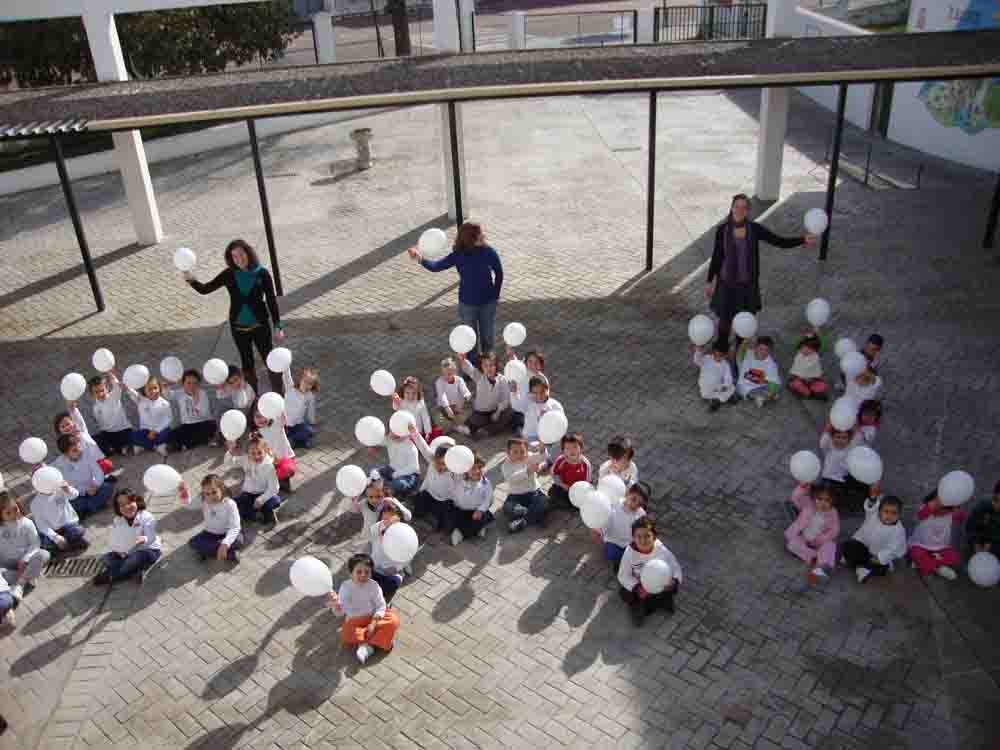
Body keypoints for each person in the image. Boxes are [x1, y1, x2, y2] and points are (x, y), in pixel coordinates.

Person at [705, 194, 815, 352]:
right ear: (731, 207)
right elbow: (717, 257)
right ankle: (721, 351)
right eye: (737, 206)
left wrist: (802, 239)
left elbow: (779, 241)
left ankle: (738, 354)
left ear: (748, 210)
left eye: (744, 207)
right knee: (725, 322)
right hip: (726, 284)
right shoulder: (722, 230)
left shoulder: (754, 229)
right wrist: (709, 282)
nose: (740, 210)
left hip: (747, 286)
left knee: (743, 324)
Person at [184, 238, 286, 395]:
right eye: (234, 257)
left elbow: (271, 301)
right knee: (247, 363)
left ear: (248, 253)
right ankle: (254, 397)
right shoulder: (229, 274)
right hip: (239, 328)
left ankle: (280, 395)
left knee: (270, 360)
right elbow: (206, 289)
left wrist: (278, 326)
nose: (239, 259)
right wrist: (191, 280)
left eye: (241, 254)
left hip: (260, 326)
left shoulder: (262, 274)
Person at [408, 221, 503, 366]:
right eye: (480, 234)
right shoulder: (458, 255)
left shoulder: (488, 251)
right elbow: (437, 266)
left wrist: (495, 296)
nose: (484, 235)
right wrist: (420, 259)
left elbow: (499, 273)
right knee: (469, 340)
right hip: (467, 305)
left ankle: (490, 368)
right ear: (471, 238)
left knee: (487, 339)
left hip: (487, 304)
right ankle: (472, 369)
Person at [327, 553, 401, 665]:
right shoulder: (345, 587)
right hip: (355, 621)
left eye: (367, 572)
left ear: (371, 573)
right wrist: (336, 606)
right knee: (346, 634)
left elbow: (381, 605)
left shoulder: (374, 585)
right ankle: (373, 644)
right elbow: (340, 612)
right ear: (351, 573)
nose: (363, 575)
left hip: (373, 618)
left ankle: (365, 645)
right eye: (359, 572)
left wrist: (373, 623)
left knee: (393, 620)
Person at [618, 517, 683, 627]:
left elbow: (675, 566)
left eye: (647, 536)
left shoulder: (661, 549)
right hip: (640, 585)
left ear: (654, 537)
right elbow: (623, 575)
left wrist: (674, 581)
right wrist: (637, 587)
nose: (643, 540)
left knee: (672, 588)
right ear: (633, 538)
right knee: (625, 593)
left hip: (659, 583)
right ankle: (638, 608)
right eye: (638, 537)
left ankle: (664, 600)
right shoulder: (629, 552)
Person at [93, 490, 161, 585]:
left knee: (135, 558)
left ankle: (111, 575)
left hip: (148, 550)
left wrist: (144, 539)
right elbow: (116, 539)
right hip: (126, 552)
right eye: (122, 505)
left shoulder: (146, 516)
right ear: (118, 508)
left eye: (129, 502)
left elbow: (151, 537)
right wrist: (117, 550)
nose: (127, 507)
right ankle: (132, 571)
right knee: (106, 558)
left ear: (136, 501)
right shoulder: (117, 520)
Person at [840, 494, 906, 583]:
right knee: (848, 545)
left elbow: (893, 549)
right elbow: (870, 507)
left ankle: (861, 568)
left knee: (882, 568)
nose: (889, 516)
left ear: (899, 515)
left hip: (877, 556)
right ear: (879, 511)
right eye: (886, 511)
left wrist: (880, 557)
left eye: (894, 513)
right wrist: (872, 499)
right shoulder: (873, 516)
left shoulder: (898, 530)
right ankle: (858, 564)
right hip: (864, 547)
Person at [784, 482, 840, 583]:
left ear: (833, 501)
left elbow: (835, 530)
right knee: (792, 544)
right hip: (803, 537)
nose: (823, 503)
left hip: (818, 541)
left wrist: (823, 538)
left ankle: (820, 567)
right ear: (814, 498)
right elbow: (796, 498)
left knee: (830, 546)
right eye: (819, 499)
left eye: (827, 500)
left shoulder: (833, 513)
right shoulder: (808, 504)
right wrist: (802, 488)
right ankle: (814, 557)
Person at [0, 493, 50, 604]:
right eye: (8, 513)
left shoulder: (27, 523)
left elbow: (35, 544)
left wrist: (25, 559)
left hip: (26, 562)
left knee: (44, 554)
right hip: (7, 567)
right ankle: (28, 577)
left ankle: (19, 585)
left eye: (15, 509)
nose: (13, 514)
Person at [179, 475, 243, 562]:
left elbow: (235, 527)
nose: (211, 496)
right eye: (207, 494)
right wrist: (183, 493)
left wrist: (225, 544)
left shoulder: (230, 504)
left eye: (214, 492)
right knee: (192, 543)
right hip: (210, 533)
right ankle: (229, 554)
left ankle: (209, 551)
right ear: (203, 493)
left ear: (221, 489)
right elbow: (189, 505)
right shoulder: (204, 500)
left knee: (238, 540)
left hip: (227, 533)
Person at [51, 434, 114, 518]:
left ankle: (86, 510)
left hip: (92, 488)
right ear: (65, 454)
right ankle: (94, 506)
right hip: (77, 493)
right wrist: (83, 491)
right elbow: (68, 487)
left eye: (79, 446)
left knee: (108, 487)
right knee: (70, 502)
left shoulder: (86, 454)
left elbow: (98, 473)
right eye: (74, 450)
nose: (79, 451)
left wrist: (95, 486)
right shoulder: (59, 464)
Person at [910, 491, 967, 580]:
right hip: (921, 545)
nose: (941, 511)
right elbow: (920, 515)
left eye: (945, 509)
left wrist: (957, 510)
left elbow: (961, 517)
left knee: (955, 557)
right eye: (939, 507)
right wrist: (931, 506)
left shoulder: (950, 514)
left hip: (941, 548)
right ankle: (937, 567)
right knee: (915, 553)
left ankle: (930, 564)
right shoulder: (926, 510)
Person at [224, 436, 281, 525]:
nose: (256, 456)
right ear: (247, 453)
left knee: (275, 501)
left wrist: (261, 499)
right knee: (237, 504)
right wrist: (230, 451)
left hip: (263, 492)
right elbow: (229, 463)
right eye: (253, 453)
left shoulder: (269, 466)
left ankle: (265, 513)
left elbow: (275, 487)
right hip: (248, 493)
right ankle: (252, 514)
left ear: (265, 452)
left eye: (259, 453)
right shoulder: (245, 459)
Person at [593, 482, 648, 571]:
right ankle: (621, 563)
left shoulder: (641, 514)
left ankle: (628, 564)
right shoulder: (613, 506)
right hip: (613, 541)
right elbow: (605, 524)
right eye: (633, 499)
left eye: (639, 504)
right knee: (611, 553)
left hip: (629, 543)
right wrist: (600, 531)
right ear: (627, 493)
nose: (635, 505)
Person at [412, 430, 456, 532]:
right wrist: (413, 432)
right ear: (434, 458)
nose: (440, 466)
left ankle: (434, 520)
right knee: (418, 507)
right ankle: (424, 514)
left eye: (444, 464)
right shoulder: (431, 460)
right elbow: (423, 446)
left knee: (444, 523)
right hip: (429, 494)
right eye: (438, 462)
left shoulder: (454, 473)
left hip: (444, 501)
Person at [458, 352, 511, 437]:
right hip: (481, 412)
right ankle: (471, 429)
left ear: (496, 365)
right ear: (481, 367)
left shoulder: (502, 379)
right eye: (485, 366)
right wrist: (463, 360)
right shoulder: (479, 377)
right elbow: (470, 369)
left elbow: (506, 398)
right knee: (471, 425)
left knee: (507, 414)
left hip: (495, 411)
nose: (489, 368)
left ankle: (486, 431)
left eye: (491, 365)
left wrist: (498, 411)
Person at [501, 438, 548, 533]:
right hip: (515, 496)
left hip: (533, 492)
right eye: (515, 452)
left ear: (527, 451)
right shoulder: (506, 465)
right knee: (507, 507)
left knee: (544, 501)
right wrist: (527, 471)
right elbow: (512, 479)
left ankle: (524, 521)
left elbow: (542, 457)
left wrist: (542, 449)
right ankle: (532, 513)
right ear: (508, 452)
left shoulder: (529, 457)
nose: (519, 455)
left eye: (522, 452)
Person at [450, 452, 495, 545]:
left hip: (476, 511)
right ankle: (476, 529)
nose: (477, 471)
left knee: (483, 518)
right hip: (460, 509)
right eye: (473, 468)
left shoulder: (486, 483)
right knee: (450, 520)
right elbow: (453, 468)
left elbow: (488, 499)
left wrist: (480, 510)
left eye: (480, 467)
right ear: (465, 470)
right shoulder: (459, 478)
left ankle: (461, 533)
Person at [31, 481, 89, 554]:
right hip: (55, 531)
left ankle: (68, 545)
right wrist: (56, 537)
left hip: (69, 526)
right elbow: (42, 525)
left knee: (77, 531)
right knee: (45, 543)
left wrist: (67, 489)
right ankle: (69, 544)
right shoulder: (35, 503)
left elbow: (75, 495)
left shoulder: (60, 489)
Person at [166, 369, 217, 451]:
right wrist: (168, 384)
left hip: (202, 422)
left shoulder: (202, 394)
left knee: (211, 427)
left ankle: (187, 445)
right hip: (187, 425)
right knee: (171, 434)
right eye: (188, 383)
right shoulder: (180, 393)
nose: (192, 386)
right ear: (183, 384)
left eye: (195, 383)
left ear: (199, 384)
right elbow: (167, 394)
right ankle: (198, 442)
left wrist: (196, 401)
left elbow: (205, 414)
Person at [251, 401, 296, 493]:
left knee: (288, 470)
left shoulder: (277, 422)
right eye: (257, 416)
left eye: (264, 416)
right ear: (252, 417)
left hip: (284, 458)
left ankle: (283, 481)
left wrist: (282, 408)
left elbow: (287, 415)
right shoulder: (254, 434)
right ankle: (274, 482)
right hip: (269, 462)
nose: (261, 419)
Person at [53, 408, 113, 477]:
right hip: (85, 468)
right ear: (59, 431)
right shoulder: (64, 444)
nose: (66, 427)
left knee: (107, 465)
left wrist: (73, 408)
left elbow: (78, 418)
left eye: (68, 424)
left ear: (73, 423)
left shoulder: (81, 431)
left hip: (98, 461)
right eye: (62, 427)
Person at [369, 421, 421, 498]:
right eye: (391, 431)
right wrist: (372, 445)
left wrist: (397, 474)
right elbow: (380, 441)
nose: (392, 434)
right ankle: (381, 487)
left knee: (396, 484)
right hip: (392, 468)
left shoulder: (411, 448)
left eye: (396, 433)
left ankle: (390, 492)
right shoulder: (389, 439)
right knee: (374, 472)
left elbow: (414, 468)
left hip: (409, 475)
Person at [87, 372, 134, 456]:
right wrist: (102, 433)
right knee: (93, 440)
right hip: (108, 432)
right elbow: (101, 423)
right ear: (92, 394)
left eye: (102, 390)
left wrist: (111, 374)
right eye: (96, 392)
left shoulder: (113, 397)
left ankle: (117, 448)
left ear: (107, 388)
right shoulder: (96, 407)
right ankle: (115, 449)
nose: (100, 394)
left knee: (128, 437)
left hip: (122, 430)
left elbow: (117, 386)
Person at [125, 376, 173, 457]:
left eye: (155, 388)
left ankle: (154, 445)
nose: (153, 391)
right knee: (132, 435)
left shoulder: (164, 403)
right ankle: (154, 446)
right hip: (146, 431)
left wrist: (156, 431)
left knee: (168, 433)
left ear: (160, 388)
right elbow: (131, 392)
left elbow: (168, 419)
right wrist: (126, 386)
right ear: (144, 391)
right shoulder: (141, 400)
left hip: (159, 431)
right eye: (149, 389)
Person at [369, 505, 408, 603]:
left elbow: (406, 557)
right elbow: (372, 532)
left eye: (391, 520)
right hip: (374, 567)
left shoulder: (403, 536)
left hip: (390, 572)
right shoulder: (378, 527)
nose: (387, 522)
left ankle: (386, 601)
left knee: (392, 584)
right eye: (385, 519)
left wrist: (396, 568)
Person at [546, 432, 592, 510]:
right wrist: (561, 484)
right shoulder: (561, 460)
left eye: (575, 447)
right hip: (565, 487)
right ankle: (564, 503)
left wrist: (580, 491)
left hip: (578, 490)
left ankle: (570, 505)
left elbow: (587, 481)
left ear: (581, 448)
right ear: (563, 450)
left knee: (581, 501)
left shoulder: (585, 464)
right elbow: (554, 473)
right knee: (553, 493)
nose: (572, 451)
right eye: (567, 448)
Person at [507, 350, 545, 437]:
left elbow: (544, 401)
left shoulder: (542, 380)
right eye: (530, 362)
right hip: (519, 411)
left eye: (536, 362)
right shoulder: (521, 373)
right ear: (525, 363)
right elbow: (514, 362)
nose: (533, 365)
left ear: (541, 365)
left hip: (533, 411)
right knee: (518, 420)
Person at [737, 335, 782, 407]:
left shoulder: (771, 363)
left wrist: (770, 388)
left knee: (775, 386)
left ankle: (764, 396)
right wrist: (744, 343)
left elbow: (772, 379)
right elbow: (744, 374)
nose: (763, 352)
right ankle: (764, 397)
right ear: (755, 348)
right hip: (748, 384)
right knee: (741, 389)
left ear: (770, 351)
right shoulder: (748, 355)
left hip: (763, 384)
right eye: (761, 349)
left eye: (766, 350)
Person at [434, 357, 472, 436]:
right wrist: (447, 407)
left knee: (463, 416)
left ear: (455, 372)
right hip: (443, 407)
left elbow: (464, 390)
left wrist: (467, 395)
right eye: (444, 374)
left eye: (449, 374)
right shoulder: (439, 382)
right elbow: (442, 396)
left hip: (456, 405)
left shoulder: (459, 380)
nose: (446, 376)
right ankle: (451, 424)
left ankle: (457, 425)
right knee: (439, 420)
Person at [521, 375, 564, 444]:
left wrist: (547, 420)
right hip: (532, 438)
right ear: (530, 393)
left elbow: (560, 428)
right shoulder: (529, 405)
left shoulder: (555, 406)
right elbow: (528, 431)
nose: (539, 396)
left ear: (547, 390)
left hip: (551, 438)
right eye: (535, 393)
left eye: (542, 392)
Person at [283, 367, 319, 450]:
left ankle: (295, 440)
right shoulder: (290, 388)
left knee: (310, 431)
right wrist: (286, 366)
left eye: (310, 384)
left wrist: (312, 421)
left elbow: (311, 410)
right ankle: (294, 440)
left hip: (298, 423)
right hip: (285, 423)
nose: (307, 385)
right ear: (299, 380)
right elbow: (286, 376)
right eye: (305, 382)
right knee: (284, 433)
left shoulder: (309, 396)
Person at [391, 376, 436, 442]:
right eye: (407, 393)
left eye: (414, 393)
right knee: (396, 437)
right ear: (403, 392)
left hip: (416, 429)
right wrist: (395, 401)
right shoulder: (401, 400)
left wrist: (427, 432)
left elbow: (425, 417)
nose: (411, 396)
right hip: (403, 427)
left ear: (418, 392)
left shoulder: (420, 402)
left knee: (412, 440)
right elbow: (395, 408)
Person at [696, 340, 736, 411]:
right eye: (715, 355)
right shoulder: (706, 358)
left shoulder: (725, 364)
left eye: (720, 356)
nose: (717, 357)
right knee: (730, 389)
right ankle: (718, 400)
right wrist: (698, 351)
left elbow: (728, 378)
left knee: (730, 387)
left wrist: (725, 385)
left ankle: (715, 400)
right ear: (712, 352)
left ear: (725, 355)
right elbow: (697, 360)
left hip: (714, 387)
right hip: (707, 386)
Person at [787, 332, 828, 401]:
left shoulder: (815, 357)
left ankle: (814, 392)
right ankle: (809, 393)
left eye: (810, 349)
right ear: (800, 346)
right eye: (803, 347)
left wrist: (810, 378)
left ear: (815, 350)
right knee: (795, 384)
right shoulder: (799, 355)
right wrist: (797, 376)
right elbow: (796, 367)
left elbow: (811, 369)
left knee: (822, 386)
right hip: (800, 379)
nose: (806, 350)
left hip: (812, 379)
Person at [965, 480, 1000, 554]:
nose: (998, 506)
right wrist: (977, 546)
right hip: (981, 540)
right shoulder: (982, 505)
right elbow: (971, 527)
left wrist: (989, 545)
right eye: (996, 500)